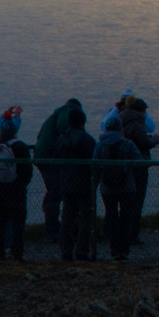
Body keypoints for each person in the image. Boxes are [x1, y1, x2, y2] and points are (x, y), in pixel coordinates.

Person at [33, 97, 84, 251]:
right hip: (49, 158)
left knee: (54, 192)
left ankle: (54, 226)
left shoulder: (54, 116)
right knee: (55, 192)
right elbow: (63, 127)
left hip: (43, 155)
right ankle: (52, 231)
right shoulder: (65, 112)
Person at [95, 114, 146, 261]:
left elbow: (95, 163)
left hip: (107, 187)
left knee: (111, 215)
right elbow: (139, 162)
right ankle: (124, 250)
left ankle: (114, 249)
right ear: (120, 129)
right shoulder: (127, 144)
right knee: (126, 217)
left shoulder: (100, 144)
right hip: (127, 186)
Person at [0, 110, 29, 261]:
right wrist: (22, 184)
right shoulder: (20, 146)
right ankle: (17, 252)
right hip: (16, 190)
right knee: (17, 223)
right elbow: (27, 171)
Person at [52, 106, 98, 261]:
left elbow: (57, 157)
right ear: (83, 122)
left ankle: (66, 251)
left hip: (67, 182)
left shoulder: (61, 139)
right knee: (86, 218)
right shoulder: (88, 140)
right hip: (85, 183)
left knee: (67, 218)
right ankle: (82, 251)